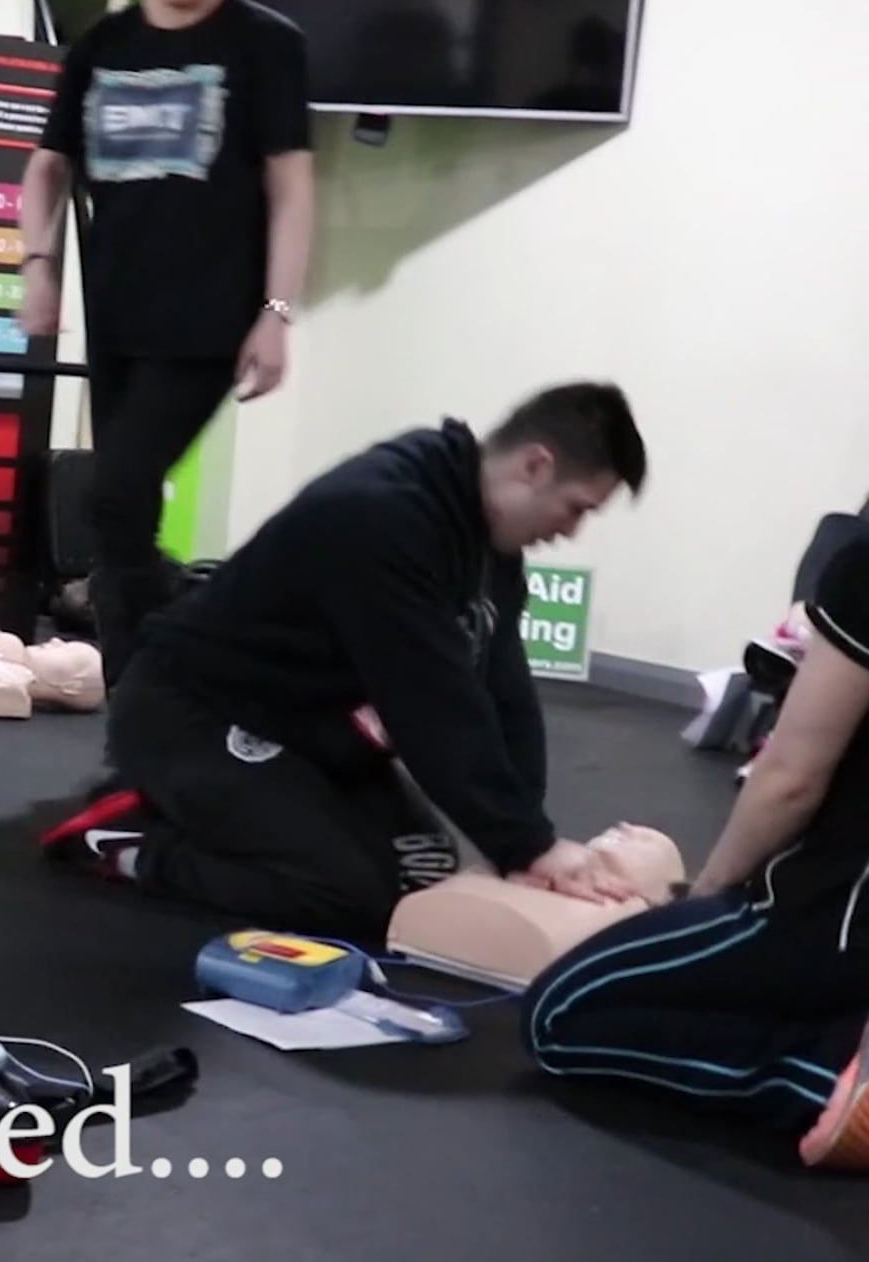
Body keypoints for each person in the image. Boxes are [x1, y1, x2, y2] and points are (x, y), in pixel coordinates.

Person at [43, 383, 649, 939]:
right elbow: (431, 705)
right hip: (193, 715)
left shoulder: (489, 541)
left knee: (423, 870)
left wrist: (526, 839)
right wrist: (529, 845)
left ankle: (213, 814)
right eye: (577, 508)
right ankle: (129, 841)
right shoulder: (383, 514)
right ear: (535, 466)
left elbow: (502, 685)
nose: (572, 531)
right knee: (348, 897)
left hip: (303, 726)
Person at [16, 0, 315, 688]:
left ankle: (171, 678)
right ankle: (153, 699)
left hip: (210, 320)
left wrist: (277, 313)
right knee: (126, 520)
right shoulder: (103, 46)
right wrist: (39, 264)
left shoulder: (265, 44)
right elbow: (48, 166)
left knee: (113, 496)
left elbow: (291, 188)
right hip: (118, 313)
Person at [521, 536, 869, 1171]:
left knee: (557, 1017)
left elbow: (790, 778)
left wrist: (710, 892)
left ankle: (822, 1076)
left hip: (836, 925)